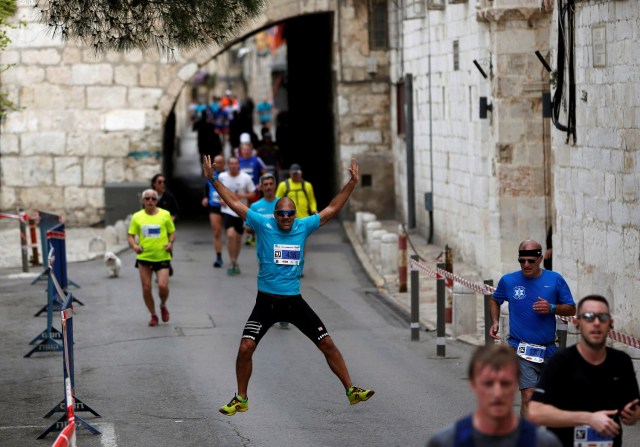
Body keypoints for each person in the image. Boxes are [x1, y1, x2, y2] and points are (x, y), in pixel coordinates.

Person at [202, 155, 375, 416]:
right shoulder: (263, 223)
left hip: (294, 302)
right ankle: (241, 398)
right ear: (274, 214)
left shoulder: (303, 226)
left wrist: (351, 184)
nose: (286, 217)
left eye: (290, 214)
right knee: (245, 347)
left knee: (327, 343)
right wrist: (214, 179)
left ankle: (351, 390)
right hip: (266, 302)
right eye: (281, 213)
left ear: (296, 214)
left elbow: (331, 209)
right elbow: (235, 203)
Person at [529, 295, 640, 447]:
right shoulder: (560, 362)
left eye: (602, 317)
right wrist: (588, 418)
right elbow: (535, 412)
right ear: (577, 323)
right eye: (588, 317)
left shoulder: (621, 361)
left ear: (610, 323)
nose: (596, 323)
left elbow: (634, 408)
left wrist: (633, 415)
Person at [489, 240, 576, 417]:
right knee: (528, 396)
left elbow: (571, 308)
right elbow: (494, 299)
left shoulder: (554, 279)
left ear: (540, 259)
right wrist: (495, 321)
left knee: (551, 400)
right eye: (522, 261)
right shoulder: (508, 281)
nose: (526, 265)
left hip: (549, 349)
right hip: (520, 349)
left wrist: (552, 308)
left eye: (531, 261)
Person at [427, 344, 562, 447]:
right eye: (488, 384)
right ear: (473, 384)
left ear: (516, 383)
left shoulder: (544, 443)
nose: (497, 394)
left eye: (505, 383)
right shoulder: (445, 442)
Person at [127, 189, 176, 327]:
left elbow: (172, 232)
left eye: (153, 199)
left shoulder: (165, 215)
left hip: (162, 256)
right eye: (147, 198)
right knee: (146, 288)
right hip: (144, 257)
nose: (150, 201)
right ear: (143, 201)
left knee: (163, 286)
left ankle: (162, 304)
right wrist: (134, 246)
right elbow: (130, 235)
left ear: (157, 201)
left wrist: (170, 243)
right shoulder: (137, 217)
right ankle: (153, 315)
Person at [248, 172, 288, 329]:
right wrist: (249, 230)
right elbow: (250, 227)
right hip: (264, 252)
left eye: (271, 184)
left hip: (284, 248)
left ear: (275, 185)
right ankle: (269, 312)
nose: (269, 187)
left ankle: (283, 313)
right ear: (261, 187)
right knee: (268, 283)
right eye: (266, 184)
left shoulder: (283, 203)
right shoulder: (256, 207)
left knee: (284, 280)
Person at [218, 156, 256, 276]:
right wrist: (221, 199)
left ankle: (235, 259)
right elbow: (218, 190)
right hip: (227, 210)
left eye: (235, 164)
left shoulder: (245, 177)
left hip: (241, 211)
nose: (233, 166)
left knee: (238, 238)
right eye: (231, 164)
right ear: (228, 165)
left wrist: (242, 196)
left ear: (238, 165)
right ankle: (232, 260)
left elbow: (253, 193)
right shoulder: (222, 177)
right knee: (230, 235)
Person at [201, 155, 226, 268]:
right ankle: (218, 257)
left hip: (227, 207)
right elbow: (206, 187)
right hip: (214, 206)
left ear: (224, 163)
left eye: (221, 162)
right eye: (216, 162)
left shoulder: (227, 175)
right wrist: (205, 197)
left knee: (231, 233)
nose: (218, 164)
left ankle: (232, 257)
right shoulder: (211, 175)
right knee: (217, 232)